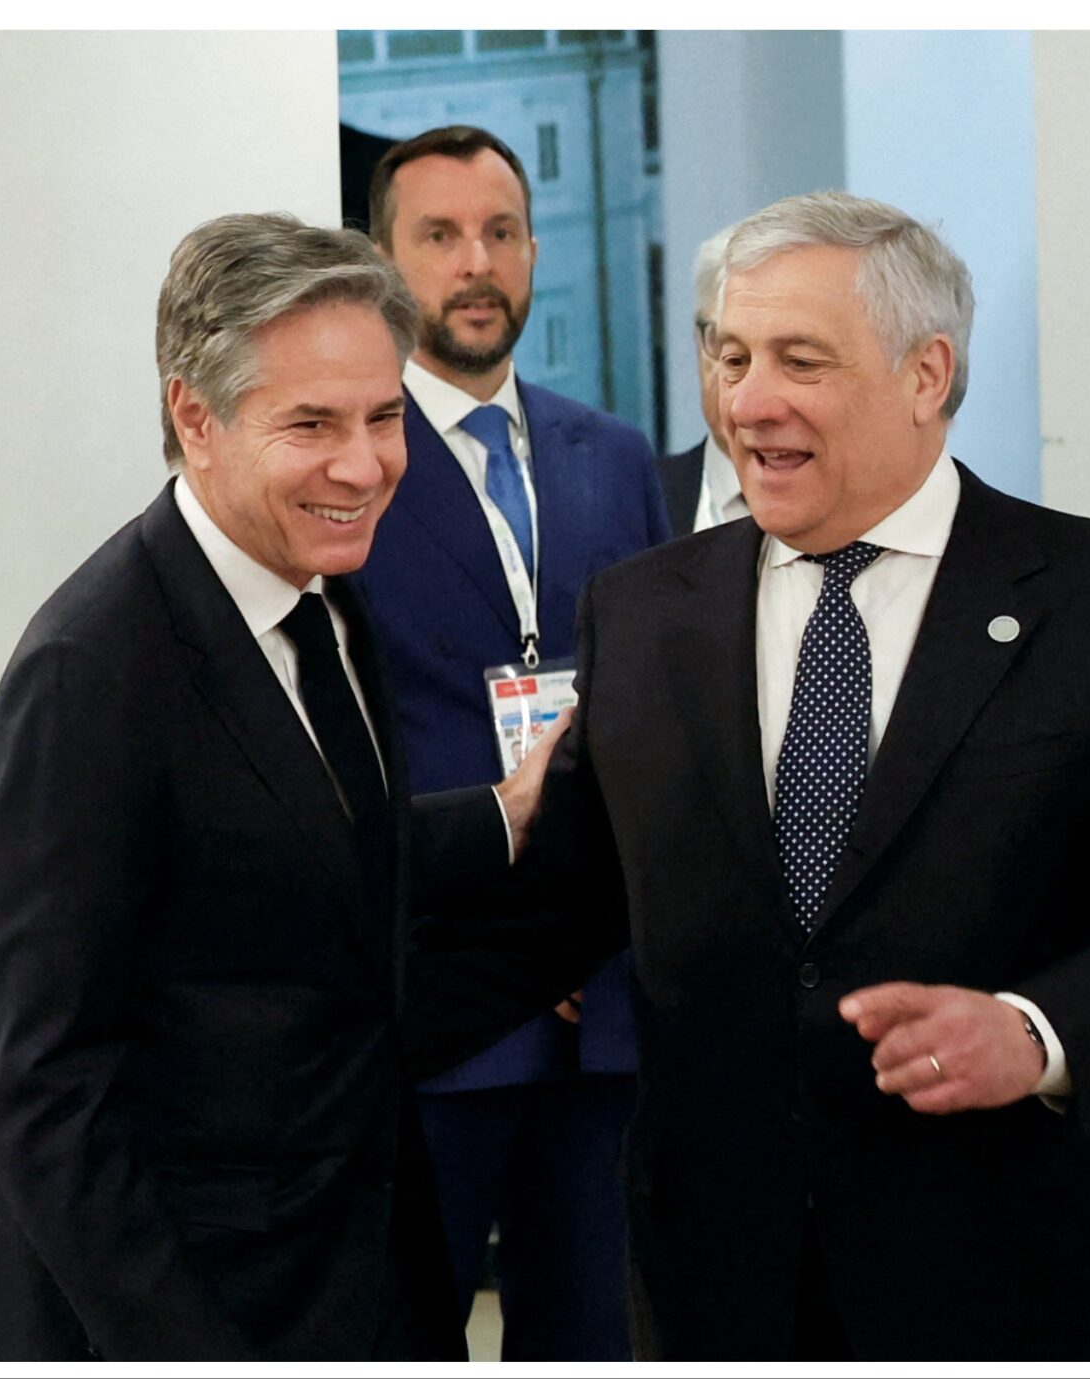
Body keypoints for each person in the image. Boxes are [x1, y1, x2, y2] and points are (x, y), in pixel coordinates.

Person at [439, 190, 1090, 1359]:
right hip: (715, 1273)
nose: (747, 400)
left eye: (798, 360)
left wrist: (1035, 1032)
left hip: (999, 1260)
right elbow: (560, 907)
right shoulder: (645, 608)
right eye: (730, 356)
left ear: (926, 375)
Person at [0, 213, 552, 1359]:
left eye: (384, 418)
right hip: (177, 1303)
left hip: (347, 1269)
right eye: (312, 424)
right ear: (196, 416)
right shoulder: (88, 672)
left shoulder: (319, 586)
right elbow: (41, 1083)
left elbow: (285, 851)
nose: (365, 465)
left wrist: (507, 816)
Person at [347, 123, 667, 1361]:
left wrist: (611, 910)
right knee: (407, 1329)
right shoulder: (353, 467)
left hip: (605, 1016)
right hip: (441, 1001)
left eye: (499, 233)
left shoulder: (616, 458)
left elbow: (652, 713)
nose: (476, 263)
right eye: (438, 237)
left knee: (594, 1331)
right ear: (384, 262)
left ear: (534, 250)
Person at [660, 225, 747, 531]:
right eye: (727, 346)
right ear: (698, 342)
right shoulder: (633, 501)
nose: (754, 390)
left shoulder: (868, 510)